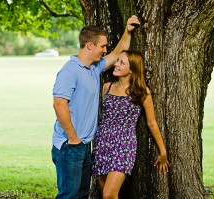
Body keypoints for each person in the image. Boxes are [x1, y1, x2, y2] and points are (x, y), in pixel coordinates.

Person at [51, 15, 140, 199]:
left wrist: (128, 30)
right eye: (102, 46)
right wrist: (73, 138)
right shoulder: (70, 71)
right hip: (70, 146)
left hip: (84, 146)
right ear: (90, 46)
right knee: (68, 196)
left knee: (82, 195)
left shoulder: (94, 68)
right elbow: (59, 104)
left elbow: (117, 53)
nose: (105, 50)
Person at [92, 50, 169, 199]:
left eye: (122, 62)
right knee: (104, 193)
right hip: (102, 143)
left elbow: (151, 123)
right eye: (117, 60)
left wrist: (163, 151)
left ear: (132, 68)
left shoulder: (141, 92)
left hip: (124, 146)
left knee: (109, 194)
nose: (116, 64)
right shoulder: (106, 87)